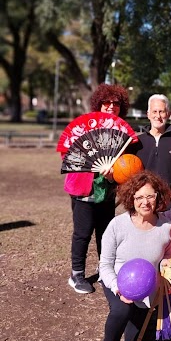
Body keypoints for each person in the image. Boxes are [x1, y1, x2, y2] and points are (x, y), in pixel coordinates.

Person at [98, 170, 171, 341]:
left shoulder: (166, 227)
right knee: (121, 310)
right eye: (139, 197)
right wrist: (118, 288)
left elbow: (166, 254)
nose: (145, 202)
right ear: (131, 198)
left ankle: (137, 324)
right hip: (117, 281)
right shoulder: (117, 225)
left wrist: (165, 263)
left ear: (158, 197)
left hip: (148, 286)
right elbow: (105, 264)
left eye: (150, 196)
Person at [66, 83, 130, 295]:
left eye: (116, 103)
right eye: (106, 102)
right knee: (83, 233)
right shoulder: (85, 127)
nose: (111, 106)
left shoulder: (121, 131)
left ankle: (105, 271)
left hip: (107, 191)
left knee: (105, 233)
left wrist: (115, 174)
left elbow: (125, 164)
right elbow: (70, 156)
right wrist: (93, 168)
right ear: (98, 103)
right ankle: (77, 275)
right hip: (83, 189)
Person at [131, 94, 171, 186]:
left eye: (162, 111)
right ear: (148, 114)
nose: (158, 116)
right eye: (154, 111)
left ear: (168, 114)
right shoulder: (138, 142)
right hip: (145, 197)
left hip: (170, 196)